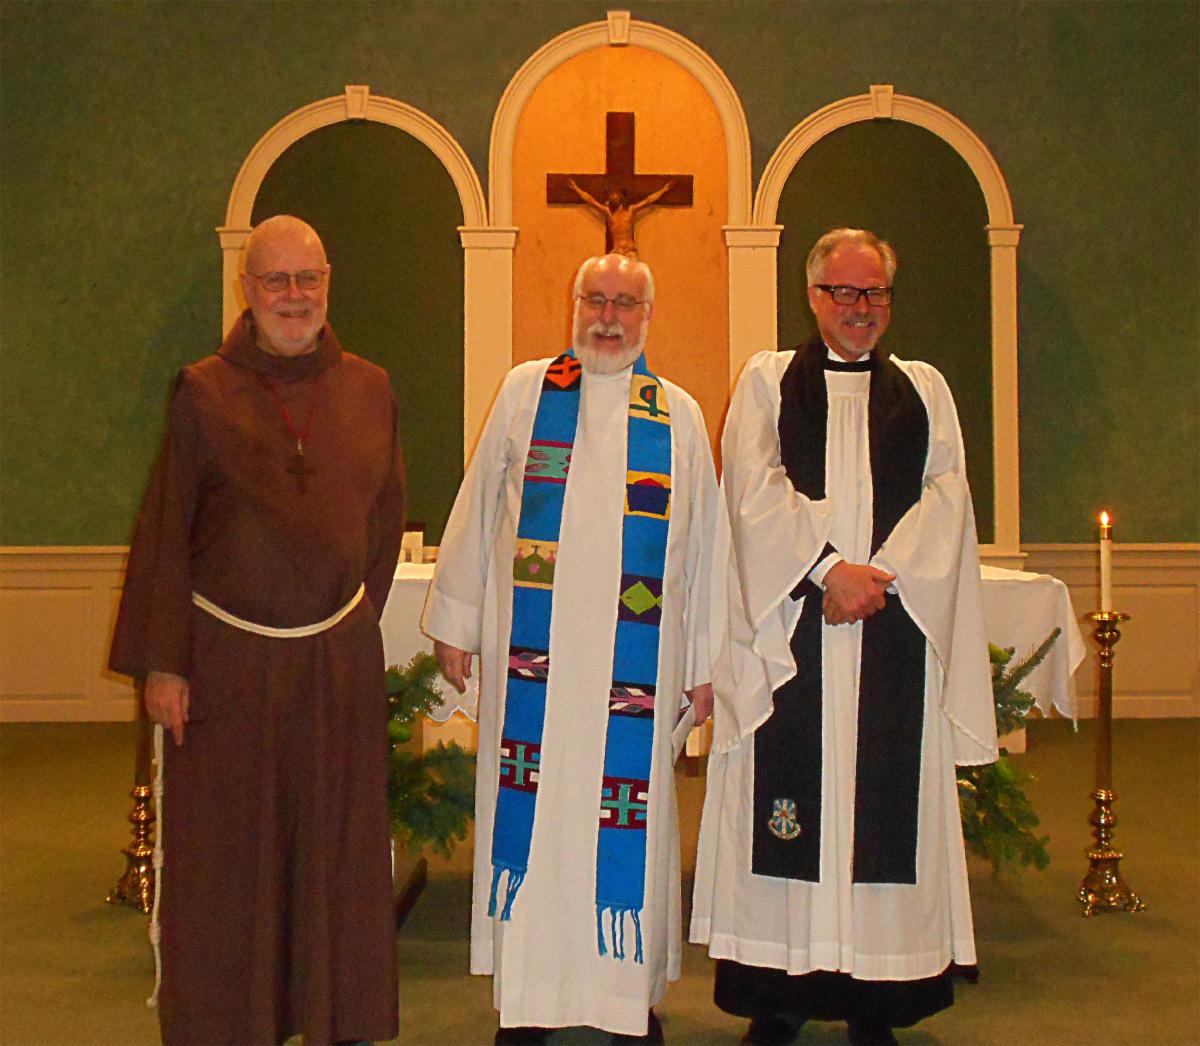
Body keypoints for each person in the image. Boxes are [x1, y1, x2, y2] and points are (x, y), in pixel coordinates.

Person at [690, 229, 998, 1046]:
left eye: (875, 293)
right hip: (795, 627)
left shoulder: (924, 390)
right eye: (844, 292)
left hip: (891, 628)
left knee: (882, 811)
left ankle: (876, 1002)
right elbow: (751, 487)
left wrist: (878, 579)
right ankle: (779, 999)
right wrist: (829, 572)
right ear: (814, 296)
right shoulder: (768, 381)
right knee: (785, 807)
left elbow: (947, 496)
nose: (861, 309)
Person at [109, 215, 405, 1045]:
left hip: (333, 666)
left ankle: (337, 1016)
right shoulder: (202, 392)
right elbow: (166, 530)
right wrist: (164, 665)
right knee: (231, 859)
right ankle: (233, 1024)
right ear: (247, 289)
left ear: (328, 284)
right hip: (228, 666)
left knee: (335, 851)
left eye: (309, 279)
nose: (294, 296)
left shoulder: (370, 388)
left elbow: (386, 519)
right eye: (276, 280)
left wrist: (349, 621)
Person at [424, 253, 717, 1044]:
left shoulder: (678, 416)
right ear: (574, 303)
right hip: (536, 669)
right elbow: (479, 506)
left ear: (648, 317)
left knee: (628, 824)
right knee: (537, 821)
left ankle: (626, 1004)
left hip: (635, 672)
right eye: (597, 299)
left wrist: (704, 665)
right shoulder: (527, 393)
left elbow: (705, 548)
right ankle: (527, 1004)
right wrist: (457, 618)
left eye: (626, 304)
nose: (609, 318)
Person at [567, 180, 674, 257]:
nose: (613, 198)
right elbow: (591, 201)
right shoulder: (609, 213)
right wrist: (576, 188)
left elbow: (648, 201)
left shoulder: (631, 211)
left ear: (620, 198)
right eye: (611, 197)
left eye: (615, 196)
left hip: (630, 250)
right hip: (616, 251)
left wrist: (663, 190)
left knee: (633, 277)